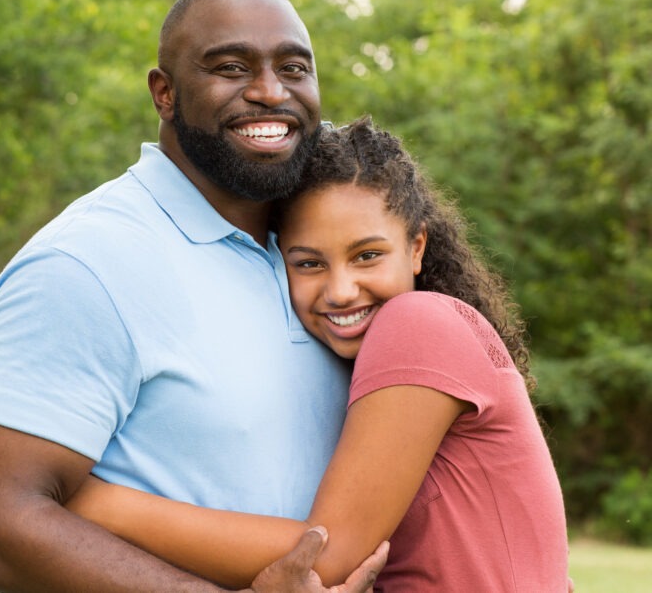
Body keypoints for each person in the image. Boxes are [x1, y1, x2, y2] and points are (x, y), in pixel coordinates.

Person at [0, 0, 389, 592]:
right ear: (164, 93)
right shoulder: (85, 262)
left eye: (294, 67)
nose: (269, 91)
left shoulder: (327, 262)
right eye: (231, 67)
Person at [66, 118, 571, 591]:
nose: (342, 290)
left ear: (417, 247)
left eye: (367, 256)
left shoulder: (420, 323)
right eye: (308, 263)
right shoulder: (370, 359)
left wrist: (94, 500)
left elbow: (326, 556)